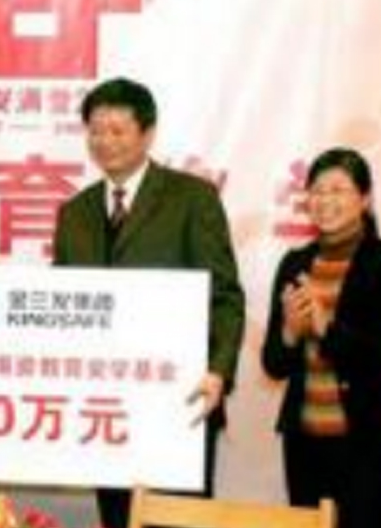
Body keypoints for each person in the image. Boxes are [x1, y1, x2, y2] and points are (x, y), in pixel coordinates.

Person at [52, 77, 245, 528]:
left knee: (176, 520)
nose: (105, 141)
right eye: (96, 130)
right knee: (117, 519)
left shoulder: (192, 198)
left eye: (118, 130)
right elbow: (62, 305)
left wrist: (218, 371)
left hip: (180, 399)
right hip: (104, 407)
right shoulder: (74, 212)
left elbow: (224, 296)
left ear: (148, 133)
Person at [261, 147, 381, 528]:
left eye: (338, 190)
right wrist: (290, 333)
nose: (325, 200)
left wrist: (327, 328)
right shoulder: (295, 263)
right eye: (316, 191)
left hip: (366, 446)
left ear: (364, 199)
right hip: (305, 444)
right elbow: (273, 364)